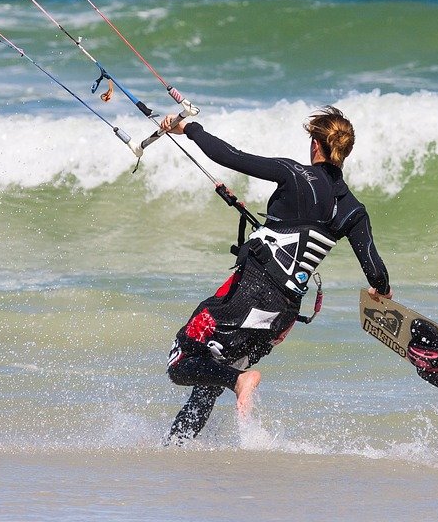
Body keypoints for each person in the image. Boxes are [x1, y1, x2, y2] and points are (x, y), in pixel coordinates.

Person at [160, 106, 392, 444]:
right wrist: (381, 290)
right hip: (281, 318)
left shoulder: (295, 173)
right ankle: (174, 446)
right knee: (211, 378)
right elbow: (375, 270)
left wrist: (188, 127)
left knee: (181, 360)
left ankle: (241, 382)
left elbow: (229, 156)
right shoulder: (354, 210)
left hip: (249, 296)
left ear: (316, 144)